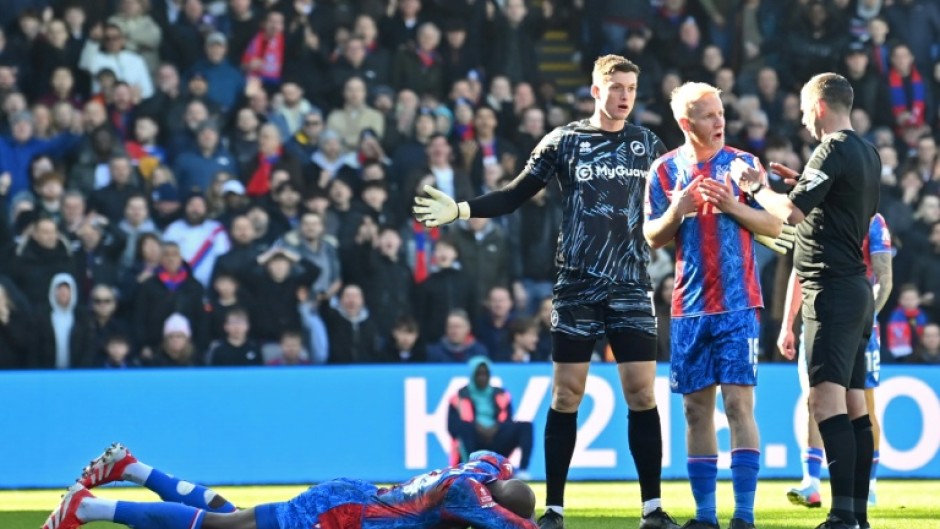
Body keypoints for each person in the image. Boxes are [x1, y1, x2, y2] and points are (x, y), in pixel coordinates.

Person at [414, 54, 678, 529]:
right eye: (616, 87)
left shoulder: (648, 145)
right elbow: (515, 193)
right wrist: (459, 209)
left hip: (631, 286)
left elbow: (671, 205)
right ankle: (554, 509)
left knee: (642, 394)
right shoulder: (565, 141)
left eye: (632, 88)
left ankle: (653, 509)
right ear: (596, 90)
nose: (624, 96)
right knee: (566, 395)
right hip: (576, 286)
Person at [736, 73, 882, 529]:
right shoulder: (868, 151)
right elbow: (839, 201)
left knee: (825, 404)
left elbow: (791, 213)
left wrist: (757, 186)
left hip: (831, 289)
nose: (800, 118)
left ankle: (840, 515)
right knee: (856, 408)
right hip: (855, 290)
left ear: (818, 107)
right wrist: (800, 182)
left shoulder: (832, 148)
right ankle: (856, 516)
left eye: (802, 108)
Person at [644, 82, 784, 529]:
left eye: (721, 112)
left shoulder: (743, 165)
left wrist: (733, 205)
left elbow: (774, 223)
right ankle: (705, 516)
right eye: (708, 115)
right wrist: (677, 210)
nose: (719, 121)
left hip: (739, 303)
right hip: (688, 306)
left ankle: (743, 515)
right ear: (686, 123)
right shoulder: (664, 172)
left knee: (739, 406)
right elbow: (651, 235)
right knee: (694, 410)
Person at [42, 444, 537, 529]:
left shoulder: (482, 470)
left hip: (354, 499)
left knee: (234, 514)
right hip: (341, 516)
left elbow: (492, 458)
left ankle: (133, 468)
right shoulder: (469, 496)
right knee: (224, 526)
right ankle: (89, 508)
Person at [779, 214, 894, 509]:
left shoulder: (872, 221)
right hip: (817, 319)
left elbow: (884, 277)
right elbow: (798, 271)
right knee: (813, 399)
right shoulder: (811, 214)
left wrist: (867, 318)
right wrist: (787, 323)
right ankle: (812, 483)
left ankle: (867, 484)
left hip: (857, 319)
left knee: (863, 403)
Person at [448, 357, 534, 479]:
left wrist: (496, 427)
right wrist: (476, 427)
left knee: (525, 426)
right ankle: (470, 469)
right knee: (464, 427)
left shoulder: (501, 394)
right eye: (478, 374)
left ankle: (523, 470)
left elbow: (508, 420)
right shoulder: (459, 396)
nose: (482, 377)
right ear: (472, 376)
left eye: (485, 374)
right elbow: (452, 427)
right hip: (473, 441)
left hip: (496, 437)